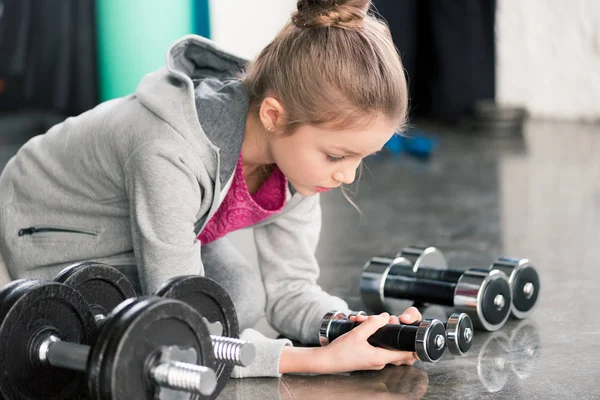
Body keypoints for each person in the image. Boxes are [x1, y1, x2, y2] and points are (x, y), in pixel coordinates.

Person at [0, 0, 423, 377]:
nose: (346, 176)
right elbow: (182, 326)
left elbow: (291, 291)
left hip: (160, 223)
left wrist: (358, 327)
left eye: (360, 159)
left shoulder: (298, 167)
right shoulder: (171, 151)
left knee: (241, 301)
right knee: (136, 342)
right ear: (274, 116)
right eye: (336, 156)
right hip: (52, 222)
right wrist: (312, 361)